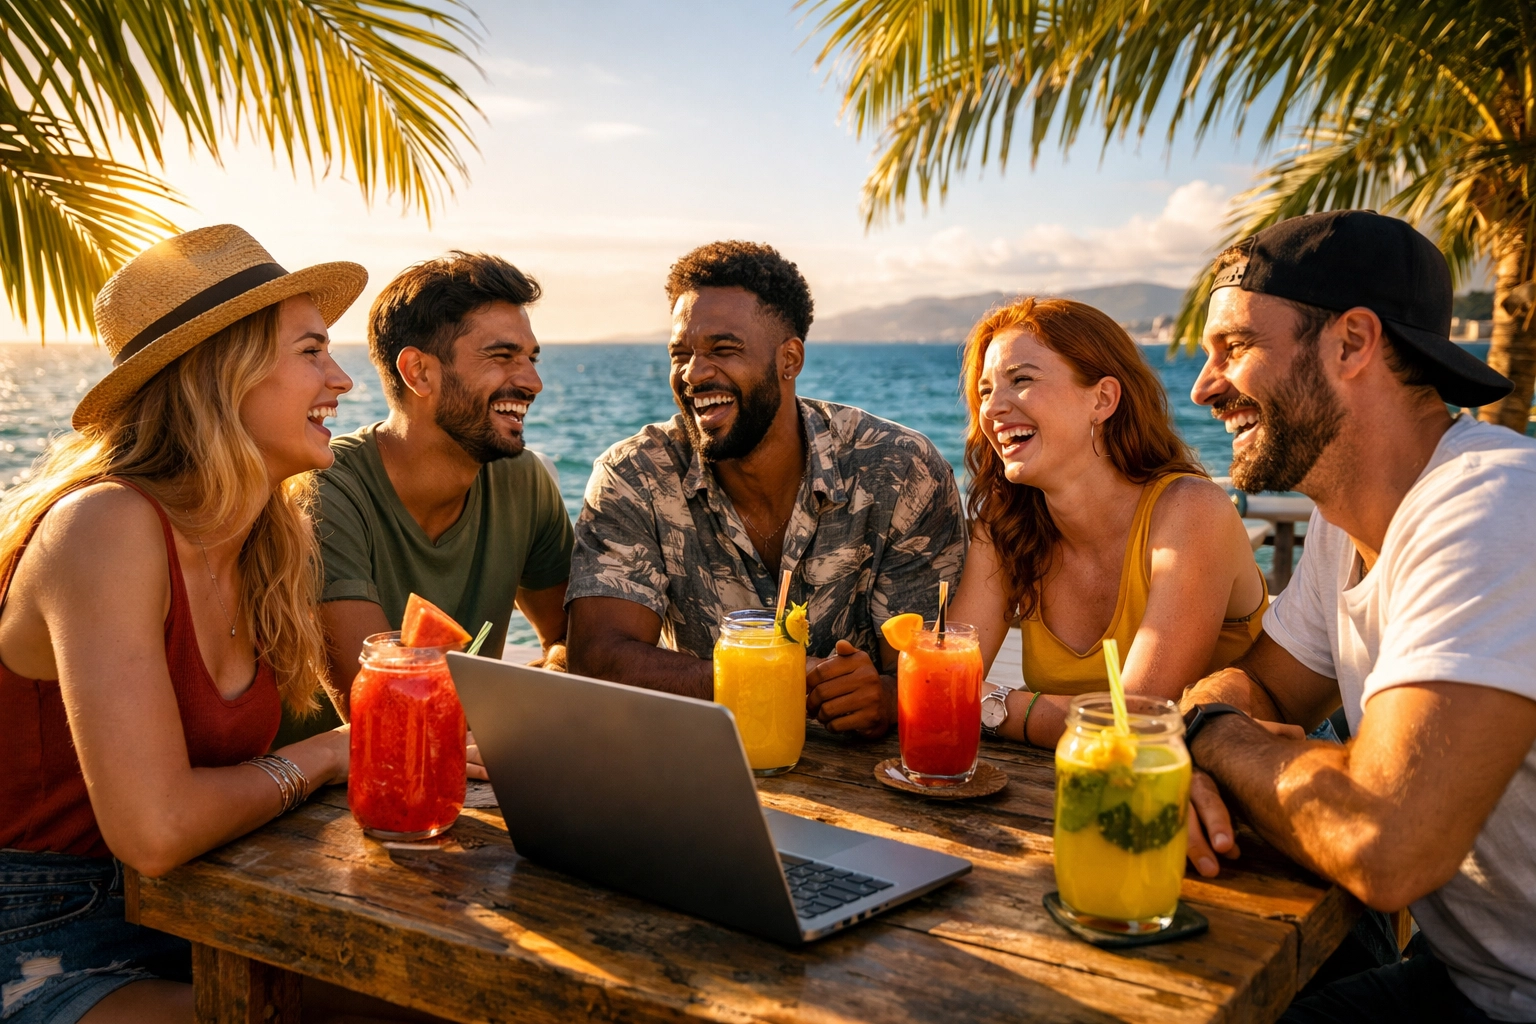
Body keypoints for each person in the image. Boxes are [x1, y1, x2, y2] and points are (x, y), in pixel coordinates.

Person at [0, 225, 385, 1023]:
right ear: (224, 373)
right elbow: (156, 828)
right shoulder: (105, 527)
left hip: (192, 909)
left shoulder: (264, 543)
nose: (343, 378)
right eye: (311, 351)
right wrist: (326, 756)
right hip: (36, 938)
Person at [1177, 210, 1536, 1023]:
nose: (1203, 386)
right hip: (1464, 977)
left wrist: (1211, 739)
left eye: (1233, 346)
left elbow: (1385, 843)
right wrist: (1219, 726)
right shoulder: (1348, 526)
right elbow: (1258, 685)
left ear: (1351, 343)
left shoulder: (1491, 508)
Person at [565, 241, 964, 737]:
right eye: (681, 353)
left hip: (865, 775)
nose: (693, 373)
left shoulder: (901, 470)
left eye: (722, 349)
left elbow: (929, 668)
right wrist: (780, 675)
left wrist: (885, 698)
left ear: (789, 359)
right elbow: (598, 660)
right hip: (702, 764)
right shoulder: (635, 475)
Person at [946, 297, 1267, 749]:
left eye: (1021, 380)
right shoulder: (1004, 525)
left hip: (1240, 781)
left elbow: (1135, 721)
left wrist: (994, 707)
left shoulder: (1191, 512)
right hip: (1084, 780)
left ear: (1102, 399)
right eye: (984, 391)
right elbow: (942, 683)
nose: (993, 408)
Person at [310, 253, 573, 732]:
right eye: (502, 356)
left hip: (463, 775)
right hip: (329, 800)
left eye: (531, 358)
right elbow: (388, 710)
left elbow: (571, 639)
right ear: (419, 372)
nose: (532, 382)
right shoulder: (326, 492)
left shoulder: (525, 480)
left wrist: (543, 681)